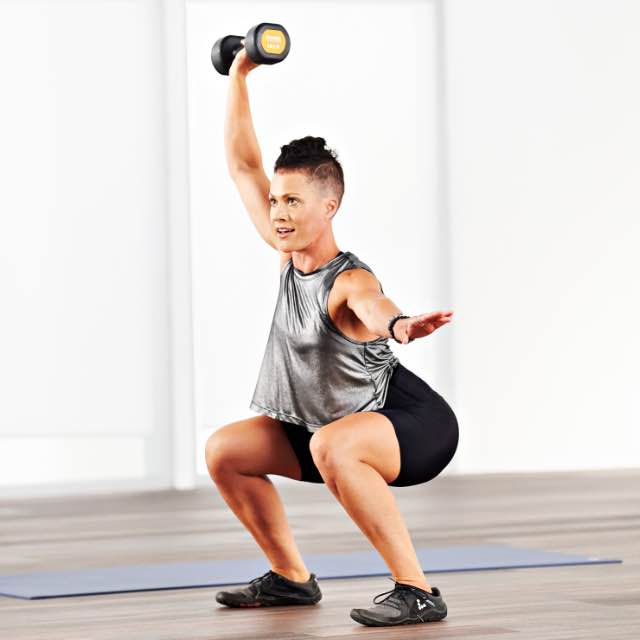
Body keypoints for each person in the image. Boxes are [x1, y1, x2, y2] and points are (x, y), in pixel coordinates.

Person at [205, 45, 459, 628]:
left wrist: (400, 325)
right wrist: (239, 77)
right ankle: (291, 579)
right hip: (329, 424)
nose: (278, 212)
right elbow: (244, 165)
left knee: (332, 447)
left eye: (293, 200)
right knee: (225, 451)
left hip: (411, 424)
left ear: (330, 205)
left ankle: (417, 591)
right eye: (276, 200)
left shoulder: (348, 278)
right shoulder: (286, 253)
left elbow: (375, 307)